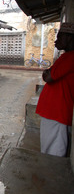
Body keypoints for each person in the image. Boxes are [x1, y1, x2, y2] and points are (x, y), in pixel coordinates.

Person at [35, 22, 74, 157]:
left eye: (60, 37)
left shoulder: (70, 57)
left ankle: (50, 177)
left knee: (53, 152)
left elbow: (49, 76)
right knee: (49, 147)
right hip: (55, 112)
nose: (56, 41)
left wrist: (48, 73)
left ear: (69, 38)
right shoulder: (66, 57)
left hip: (58, 112)